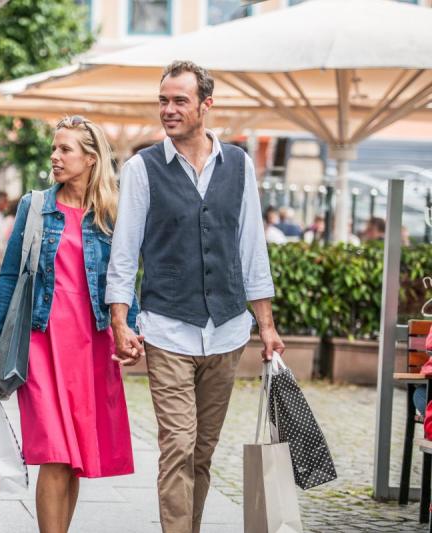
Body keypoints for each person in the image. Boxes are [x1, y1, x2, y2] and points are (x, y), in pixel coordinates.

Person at [106, 60, 283, 533]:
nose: (168, 109)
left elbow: (252, 248)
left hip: (226, 331)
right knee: (178, 445)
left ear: (206, 105)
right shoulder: (142, 169)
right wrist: (120, 321)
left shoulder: (240, 164)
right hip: (167, 328)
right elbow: (124, 253)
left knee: (203, 451)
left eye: (179, 100)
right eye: (163, 100)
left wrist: (265, 325)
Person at [0, 115, 136, 533]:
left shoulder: (113, 211)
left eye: (65, 149)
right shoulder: (35, 206)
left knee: (76, 457)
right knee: (55, 451)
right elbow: (10, 275)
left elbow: (126, 275)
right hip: (40, 341)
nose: (55, 157)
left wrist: (129, 328)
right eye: (54, 148)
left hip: (92, 343)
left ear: (91, 158)